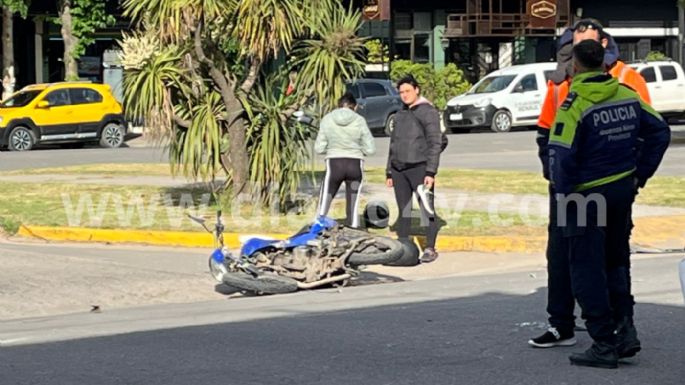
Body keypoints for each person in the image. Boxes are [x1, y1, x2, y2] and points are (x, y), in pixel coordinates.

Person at [530, 18, 652, 350]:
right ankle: (562, 324)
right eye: (574, 45)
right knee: (561, 256)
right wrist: (555, 178)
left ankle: (616, 330)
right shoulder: (560, 84)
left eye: (588, 44)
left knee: (605, 261)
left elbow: (644, 131)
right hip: (570, 188)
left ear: (603, 46)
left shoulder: (627, 80)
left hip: (603, 187)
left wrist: (636, 176)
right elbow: (546, 135)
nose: (579, 51)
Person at [548, 39, 669, 368]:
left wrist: (564, 195)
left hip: (586, 196)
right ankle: (625, 330)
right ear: (605, 63)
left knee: (586, 268)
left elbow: (560, 157)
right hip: (620, 192)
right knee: (616, 262)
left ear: (575, 65)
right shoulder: (627, 96)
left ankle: (603, 342)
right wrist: (639, 175)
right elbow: (660, 132)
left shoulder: (573, 105)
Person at [386, 75, 442, 263]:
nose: (404, 95)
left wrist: (430, 171)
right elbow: (393, 143)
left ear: (417, 90)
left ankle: (430, 247)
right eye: (401, 92)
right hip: (399, 169)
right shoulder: (400, 113)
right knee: (404, 210)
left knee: (426, 209)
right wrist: (389, 171)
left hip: (420, 168)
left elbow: (437, 142)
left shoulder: (428, 112)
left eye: (408, 91)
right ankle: (403, 246)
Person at [315, 92, 375, 228]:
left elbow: (319, 148)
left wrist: (332, 148)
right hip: (355, 164)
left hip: (334, 163)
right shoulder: (360, 120)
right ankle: (353, 229)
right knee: (353, 205)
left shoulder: (327, 119)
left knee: (325, 199)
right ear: (355, 107)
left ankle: (318, 225)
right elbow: (370, 149)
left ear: (338, 105)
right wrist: (359, 149)